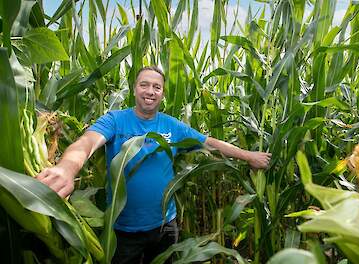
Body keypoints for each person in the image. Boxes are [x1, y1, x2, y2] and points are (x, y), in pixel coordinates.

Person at [37, 66, 271, 264]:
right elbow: (86, 143)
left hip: (164, 229)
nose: (150, 91)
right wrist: (66, 168)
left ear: (162, 93)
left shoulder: (173, 126)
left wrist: (248, 156)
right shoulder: (115, 120)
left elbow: (211, 143)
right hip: (121, 232)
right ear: (134, 88)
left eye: (156, 87)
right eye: (144, 85)